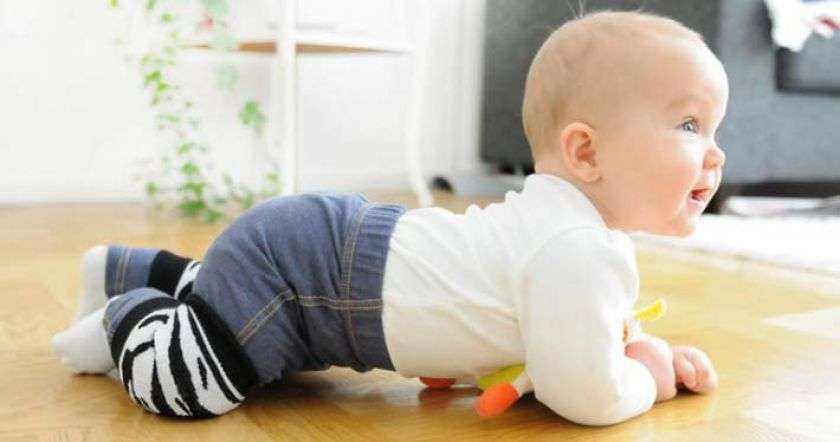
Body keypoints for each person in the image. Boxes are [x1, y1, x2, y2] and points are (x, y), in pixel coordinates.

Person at [52, 10, 722, 426]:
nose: (716, 154)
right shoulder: (576, 249)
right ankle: (126, 316)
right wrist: (647, 377)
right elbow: (586, 395)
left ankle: (132, 268)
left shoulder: (566, 233)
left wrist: (641, 348)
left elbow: (579, 333)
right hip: (310, 273)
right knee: (191, 387)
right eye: (690, 125)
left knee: (246, 323)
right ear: (587, 152)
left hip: (319, 270)